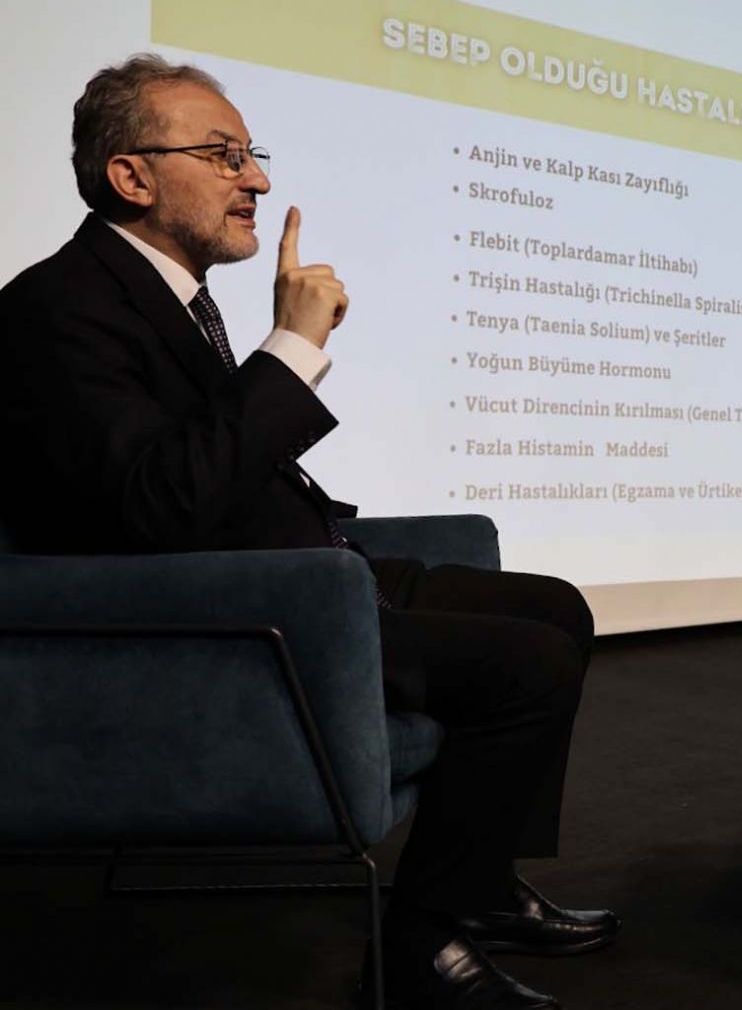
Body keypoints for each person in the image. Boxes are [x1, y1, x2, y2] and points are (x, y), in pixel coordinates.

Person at [0, 54, 615, 1009]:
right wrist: (291, 347)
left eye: (253, 154)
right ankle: (419, 950)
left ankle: (482, 882)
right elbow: (157, 505)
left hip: (302, 569)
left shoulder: (160, 294)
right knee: (526, 666)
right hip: (237, 611)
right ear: (131, 176)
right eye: (224, 155)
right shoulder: (58, 309)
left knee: (557, 608)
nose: (256, 178)